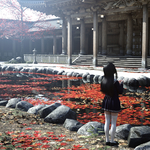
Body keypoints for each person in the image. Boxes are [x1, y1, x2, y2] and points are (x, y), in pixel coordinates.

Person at [101, 62, 123, 146]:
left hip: (106, 101)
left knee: (107, 121)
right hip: (114, 102)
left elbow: (103, 90)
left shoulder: (104, 80)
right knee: (113, 122)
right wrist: (121, 84)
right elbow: (120, 91)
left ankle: (107, 140)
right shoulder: (115, 81)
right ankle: (112, 140)